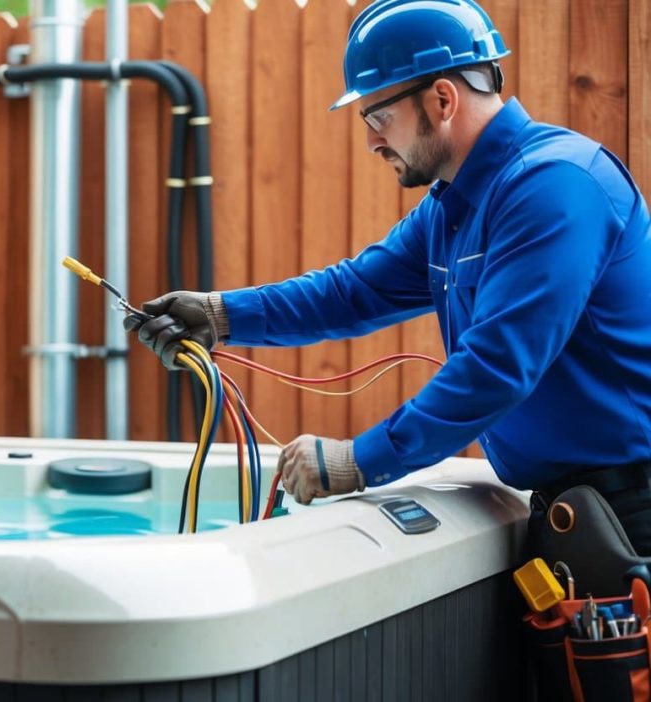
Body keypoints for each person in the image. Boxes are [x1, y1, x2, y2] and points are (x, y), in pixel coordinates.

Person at [124, 0, 651, 553]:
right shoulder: (455, 203)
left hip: (633, 509)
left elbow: (497, 365)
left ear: (442, 99)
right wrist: (219, 316)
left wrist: (361, 459)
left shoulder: (554, 185)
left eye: (378, 117)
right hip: (577, 508)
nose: (373, 142)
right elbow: (353, 291)